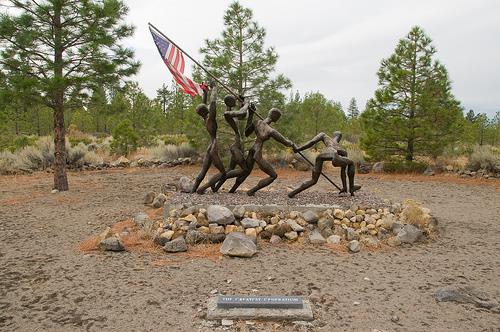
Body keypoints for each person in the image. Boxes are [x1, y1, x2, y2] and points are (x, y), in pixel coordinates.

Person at [225, 106, 297, 196]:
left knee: (246, 171)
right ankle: (251, 191)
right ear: (275, 118)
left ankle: (230, 187)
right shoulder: (271, 131)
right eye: (278, 117)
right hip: (257, 153)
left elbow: (247, 133)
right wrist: (293, 145)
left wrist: (251, 115)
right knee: (273, 175)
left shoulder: (257, 122)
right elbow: (286, 142)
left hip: (252, 150)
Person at [288, 131, 361, 198]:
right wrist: (344, 187)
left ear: (333, 135)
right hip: (336, 156)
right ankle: (351, 188)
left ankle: (293, 193)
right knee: (351, 163)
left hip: (321, 156)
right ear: (339, 138)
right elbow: (343, 172)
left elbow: (311, 142)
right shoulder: (342, 149)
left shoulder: (324, 135)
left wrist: (299, 149)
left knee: (313, 180)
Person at [209, 95, 251, 192]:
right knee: (245, 170)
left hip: (237, 145)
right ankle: (211, 182)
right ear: (230, 102)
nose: (235, 102)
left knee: (230, 169)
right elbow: (242, 112)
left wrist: (244, 104)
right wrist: (246, 102)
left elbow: (243, 115)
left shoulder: (232, 115)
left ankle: (216, 187)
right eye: (234, 101)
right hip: (235, 147)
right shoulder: (227, 113)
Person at [190, 82, 226, 194]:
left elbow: (204, 104)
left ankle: (193, 190)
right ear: (206, 111)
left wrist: (205, 91)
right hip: (213, 146)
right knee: (223, 173)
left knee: (203, 170)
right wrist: (214, 88)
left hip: (210, 145)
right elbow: (213, 102)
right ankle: (202, 189)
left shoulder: (205, 118)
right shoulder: (210, 118)